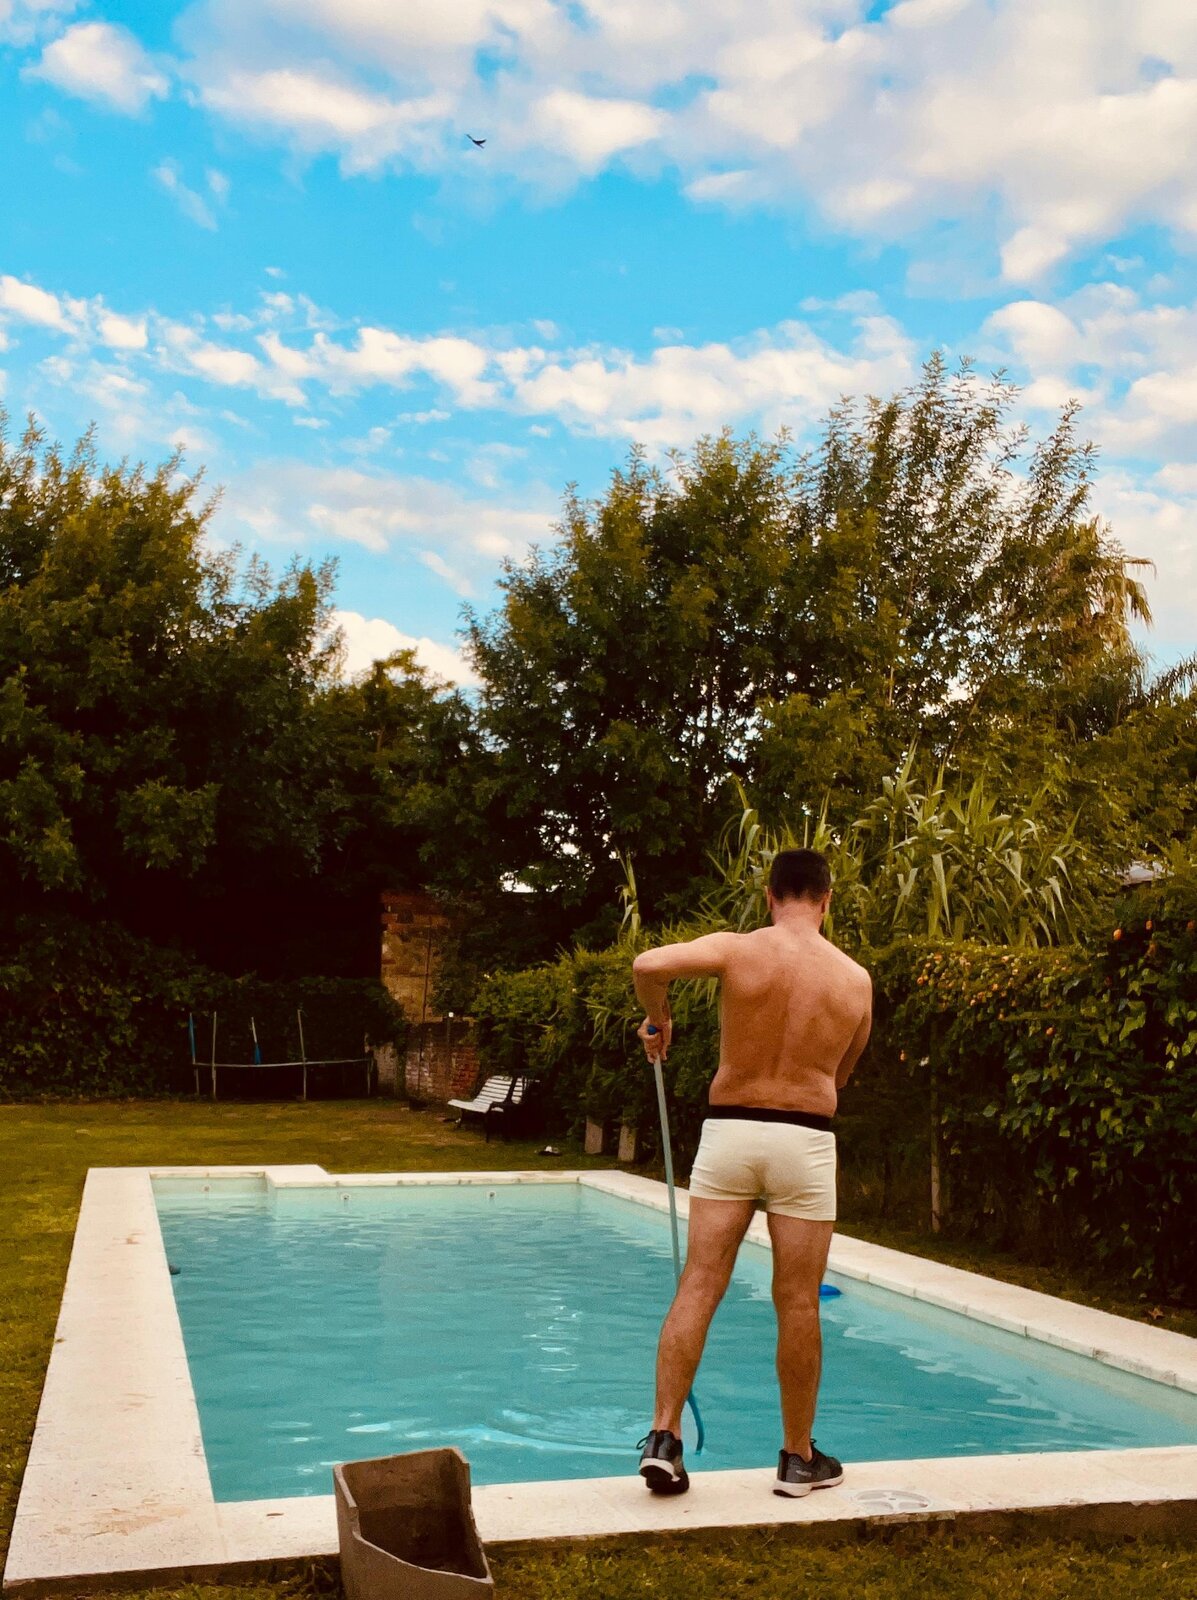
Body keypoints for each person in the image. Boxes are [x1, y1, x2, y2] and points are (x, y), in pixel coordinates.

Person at [632, 847, 871, 1498]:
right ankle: (797, 1459)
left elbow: (648, 965)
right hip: (805, 1140)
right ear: (826, 899)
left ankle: (663, 1438)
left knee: (700, 1283)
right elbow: (842, 1076)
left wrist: (659, 1018)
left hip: (731, 1132)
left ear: (770, 896)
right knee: (798, 1302)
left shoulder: (738, 950)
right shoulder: (854, 980)